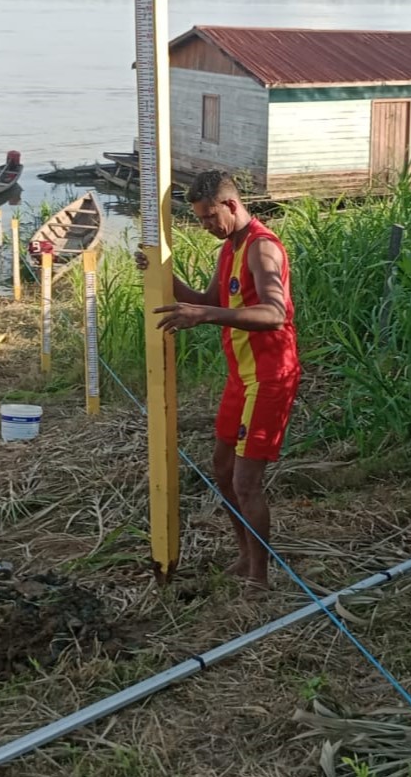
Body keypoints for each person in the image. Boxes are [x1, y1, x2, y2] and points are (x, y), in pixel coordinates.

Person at [134, 170, 300, 590]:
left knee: (246, 482)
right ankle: (244, 557)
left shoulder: (262, 249)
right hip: (241, 377)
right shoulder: (230, 248)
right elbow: (211, 301)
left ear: (231, 204)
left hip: (270, 376)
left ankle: (259, 580)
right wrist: (161, 277)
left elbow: (275, 313)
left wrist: (206, 316)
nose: (206, 226)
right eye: (200, 219)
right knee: (222, 470)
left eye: (210, 217)